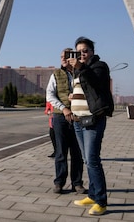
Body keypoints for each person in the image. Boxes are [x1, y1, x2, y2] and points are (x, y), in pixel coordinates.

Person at [68, 37, 114, 216]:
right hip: (79, 121)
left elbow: (94, 82)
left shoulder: (100, 67)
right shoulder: (77, 71)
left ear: (92, 52)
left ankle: (101, 202)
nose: (82, 54)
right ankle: (93, 195)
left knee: (93, 160)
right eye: (79, 51)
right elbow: (83, 90)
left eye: (85, 51)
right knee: (87, 160)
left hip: (93, 120)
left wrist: (80, 68)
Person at [46, 48, 85, 194]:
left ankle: (77, 183)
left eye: (66, 56)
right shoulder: (55, 74)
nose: (63, 59)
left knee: (77, 152)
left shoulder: (81, 72)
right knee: (61, 152)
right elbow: (50, 95)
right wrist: (64, 108)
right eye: (61, 56)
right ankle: (59, 182)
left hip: (79, 116)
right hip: (60, 117)